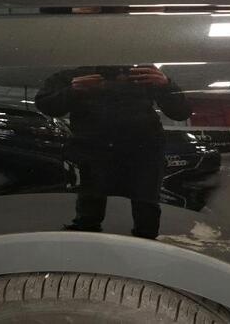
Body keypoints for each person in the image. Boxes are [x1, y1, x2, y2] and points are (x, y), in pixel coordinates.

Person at [35, 65, 191, 239]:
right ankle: (86, 238)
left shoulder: (142, 72)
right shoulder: (75, 73)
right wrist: (72, 91)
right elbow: (45, 105)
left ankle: (145, 240)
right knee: (90, 204)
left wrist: (166, 85)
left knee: (146, 205)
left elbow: (181, 113)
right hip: (94, 149)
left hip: (142, 150)